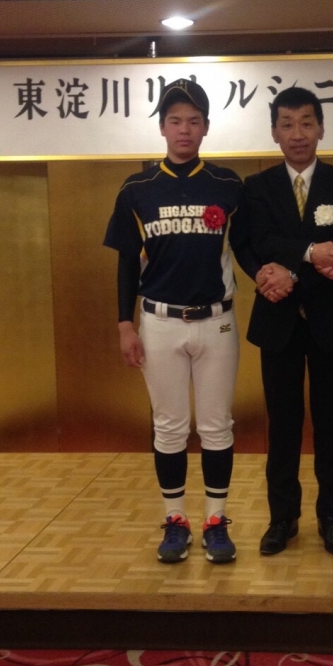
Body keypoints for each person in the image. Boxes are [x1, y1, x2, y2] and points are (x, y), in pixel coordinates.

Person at [103, 78, 264, 566]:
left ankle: (216, 521)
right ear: (161, 127)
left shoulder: (227, 185)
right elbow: (127, 262)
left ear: (207, 127)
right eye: (175, 120)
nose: (184, 129)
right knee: (169, 428)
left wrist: (269, 275)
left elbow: (247, 248)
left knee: (216, 426)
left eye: (194, 121)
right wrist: (124, 324)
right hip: (159, 322)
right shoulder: (137, 189)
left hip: (216, 322)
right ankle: (175, 520)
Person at [245, 86, 333, 557]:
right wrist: (292, 262)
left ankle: (331, 518)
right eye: (288, 124)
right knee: (283, 425)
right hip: (277, 319)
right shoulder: (256, 187)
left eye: (307, 123)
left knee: (331, 425)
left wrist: (299, 267)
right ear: (274, 132)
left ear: (321, 129)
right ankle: (282, 518)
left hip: (331, 320)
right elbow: (255, 242)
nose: (298, 133)